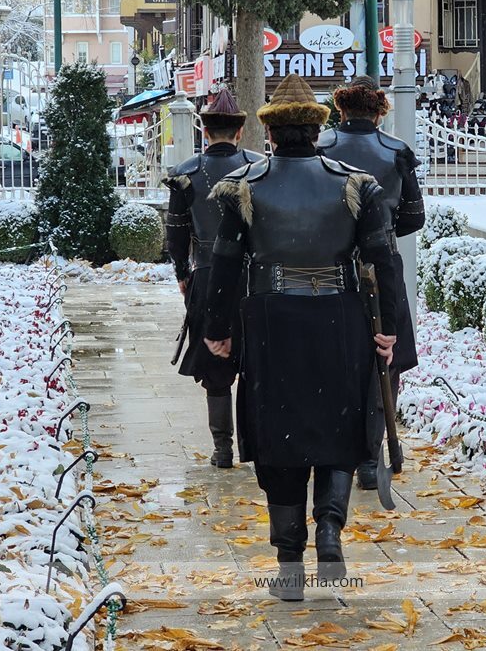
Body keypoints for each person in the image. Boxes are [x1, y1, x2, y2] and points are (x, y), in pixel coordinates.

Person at [202, 73, 398, 601]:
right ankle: (329, 529)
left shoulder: (245, 187)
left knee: (278, 435)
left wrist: (217, 330)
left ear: (269, 134)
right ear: (317, 132)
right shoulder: (356, 185)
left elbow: (224, 264)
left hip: (271, 324)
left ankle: (289, 562)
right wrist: (390, 330)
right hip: (341, 319)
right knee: (339, 425)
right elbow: (383, 259)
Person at [316, 75, 424, 490]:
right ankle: (370, 454)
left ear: (340, 110)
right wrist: (382, 230)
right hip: (383, 262)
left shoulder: (321, 147)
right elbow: (414, 216)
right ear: (379, 113)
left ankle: (341, 449)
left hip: (333, 262)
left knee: (337, 357)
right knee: (385, 358)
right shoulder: (397, 152)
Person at [163, 88, 264, 467]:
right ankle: (256, 446)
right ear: (239, 132)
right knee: (256, 365)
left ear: (205, 132)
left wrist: (182, 273)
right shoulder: (259, 169)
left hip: (206, 276)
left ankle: (223, 449)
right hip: (255, 278)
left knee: (216, 369)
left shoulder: (185, 175)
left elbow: (176, 235)